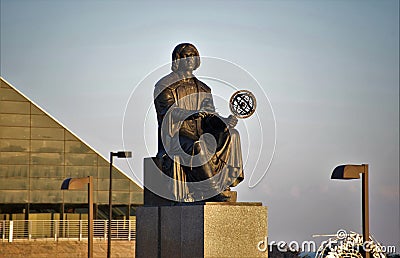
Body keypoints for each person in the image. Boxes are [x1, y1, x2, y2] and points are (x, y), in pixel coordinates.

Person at [154, 43, 243, 202]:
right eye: (186, 56)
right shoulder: (164, 85)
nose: (190, 59)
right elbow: (167, 112)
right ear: (178, 59)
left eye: (193, 56)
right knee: (197, 144)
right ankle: (211, 189)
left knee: (232, 134)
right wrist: (191, 114)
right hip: (176, 136)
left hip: (201, 132)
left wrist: (225, 122)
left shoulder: (203, 88)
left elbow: (210, 117)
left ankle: (226, 182)